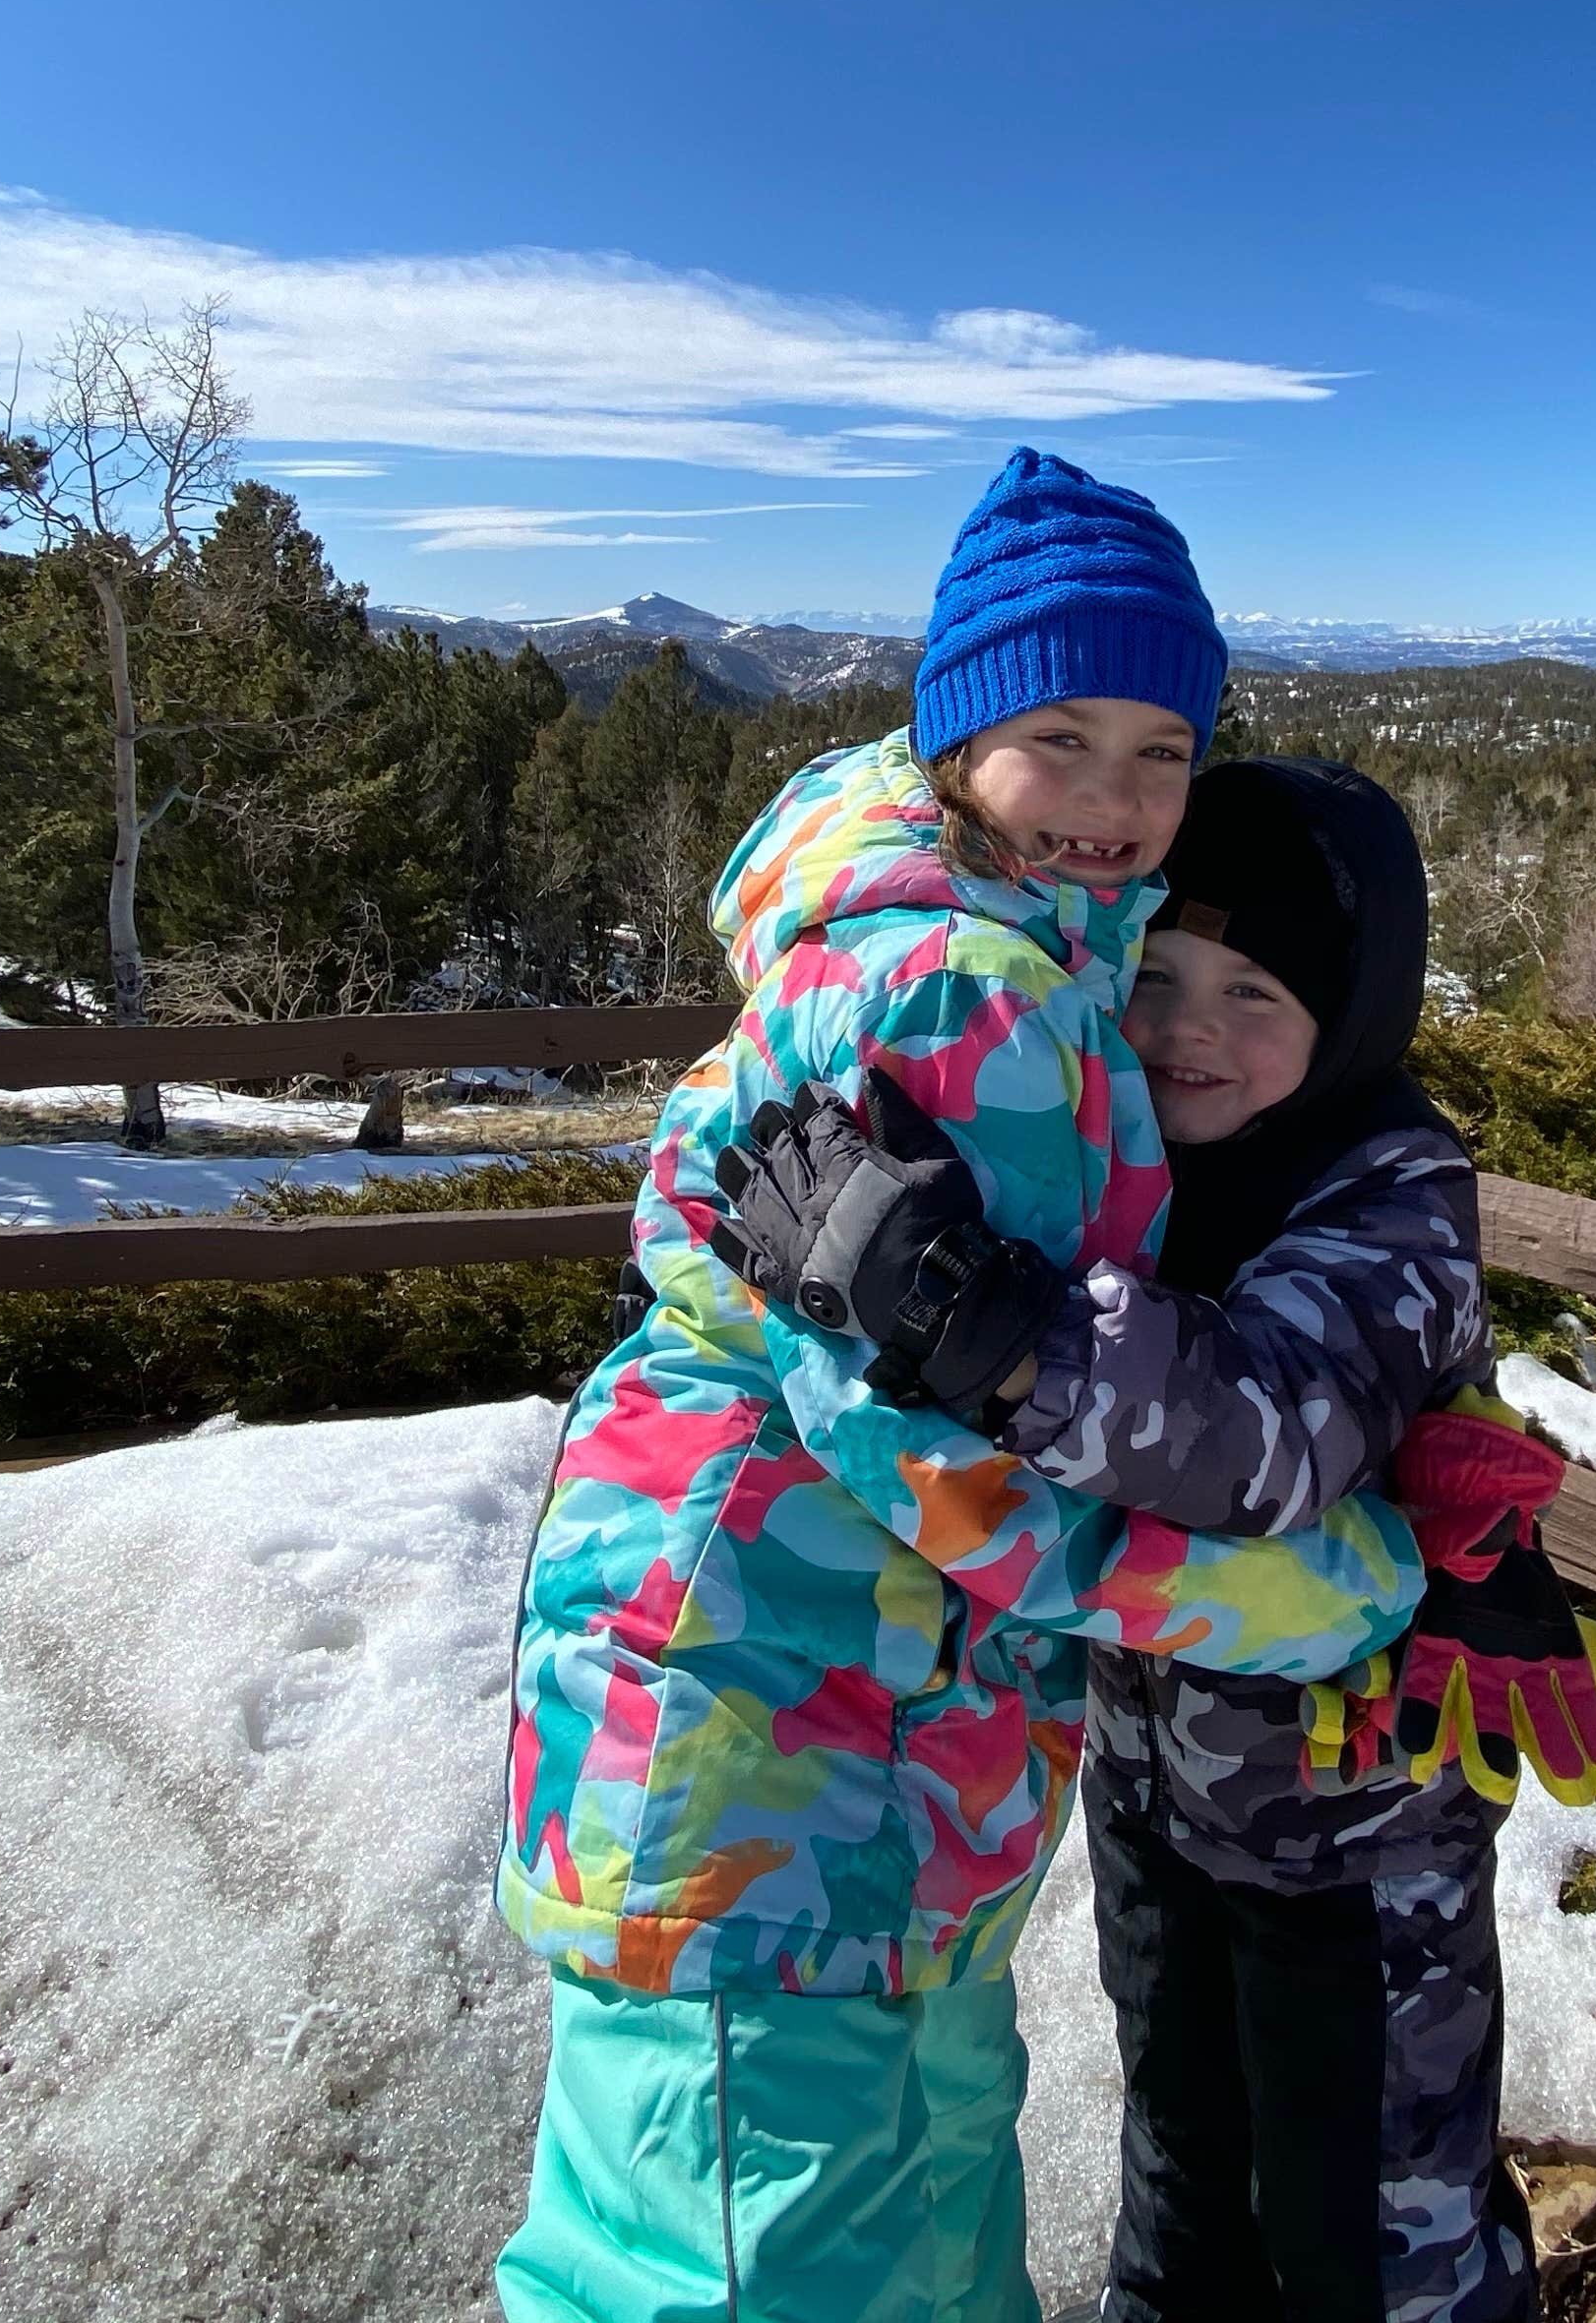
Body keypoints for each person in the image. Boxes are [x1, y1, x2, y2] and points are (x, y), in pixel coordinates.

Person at [494, 453, 1428, 2323]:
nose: (1112, 801)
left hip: (861, 1769)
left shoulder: (1011, 965)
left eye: (1163, 749)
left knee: (910, 2247)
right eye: (1060, 737)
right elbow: (956, 1466)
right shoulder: (963, 996)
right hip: (773, 1764)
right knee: (745, 2275)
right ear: (957, 734)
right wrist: (1334, 1591)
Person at [717, 757, 1596, 2323]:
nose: (1192, 1025)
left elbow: (1258, 1435)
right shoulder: (1120, 1156)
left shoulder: (1386, 1190)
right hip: (1148, 1794)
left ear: (1354, 1013)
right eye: (1165, 972)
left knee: (1374, 2234)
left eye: (1256, 989)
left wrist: (983, 1324)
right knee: (1186, 2181)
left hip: (1353, 1847)